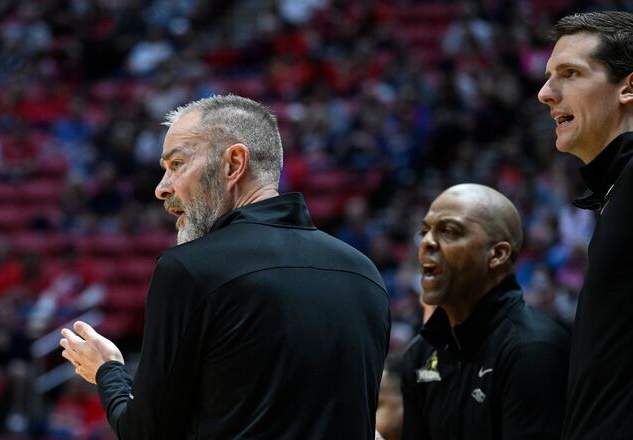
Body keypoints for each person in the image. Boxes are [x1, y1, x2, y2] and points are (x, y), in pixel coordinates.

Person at [59, 94, 391, 439]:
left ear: (233, 164)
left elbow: (148, 433)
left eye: (177, 164)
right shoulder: (365, 273)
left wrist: (108, 371)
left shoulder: (190, 269)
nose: (161, 189)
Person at [537, 11, 633, 439]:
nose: (545, 93)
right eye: (549, 76)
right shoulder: (623, 186)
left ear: (630, 87)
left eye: (569, 74)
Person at [400, 183, 569, 440]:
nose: (426, 243)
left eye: (449, 231)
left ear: (497, 254)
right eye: (423, 232)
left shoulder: (534, 349)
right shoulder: (419, 353)